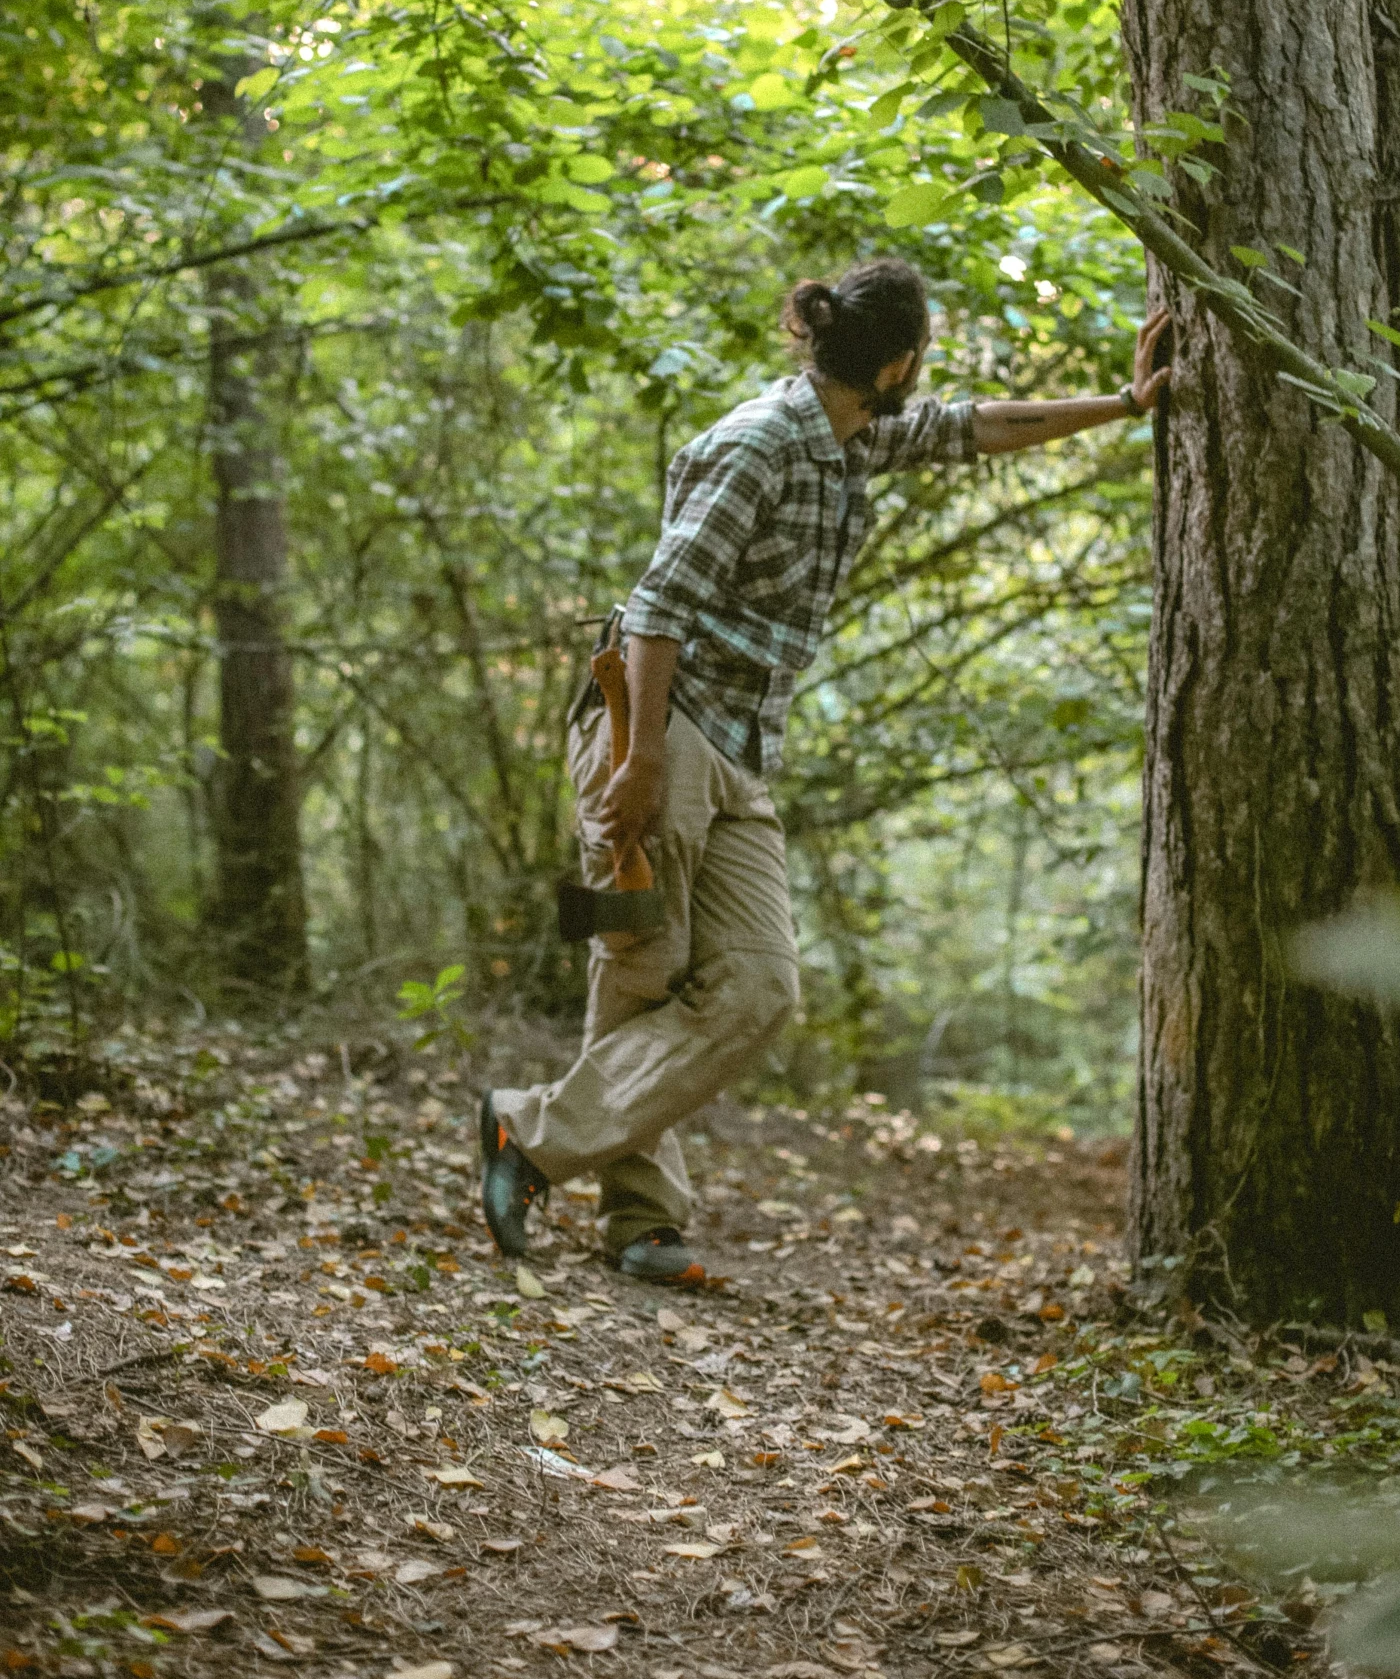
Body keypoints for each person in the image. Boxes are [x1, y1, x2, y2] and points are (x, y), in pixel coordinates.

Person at [480, 257, 1172, 1280]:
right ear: (895, 362)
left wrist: (1123, 403)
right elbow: (660, 602)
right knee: (636, 969)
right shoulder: (762, 443)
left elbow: (978, 426)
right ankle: (639, 1221)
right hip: (655, 729)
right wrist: (635, 762)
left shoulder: (854, 436)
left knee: (759, 986)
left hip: (743, 743)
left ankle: (526, 1131)